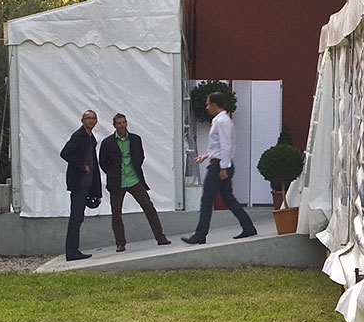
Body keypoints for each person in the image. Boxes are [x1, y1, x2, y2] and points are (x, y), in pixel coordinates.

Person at [184, 91, 257, 244]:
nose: (207, 107)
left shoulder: (222, 122)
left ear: (214, 105)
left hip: (219, 166)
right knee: (228, 198)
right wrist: (207, 155)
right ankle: (248, 226)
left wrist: (223, 167)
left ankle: (200, 234)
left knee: (207, 199)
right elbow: (221, 146)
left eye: (208, 104)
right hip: (221, 163)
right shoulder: (223, 120)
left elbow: (226, 145)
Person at [99, 112, 171, 251]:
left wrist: (135, 167)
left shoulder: (135, 139)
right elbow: (103, 162)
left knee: (149, 207)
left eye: (123, 122)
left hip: (134, 179)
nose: (122, 125)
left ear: (126, 123)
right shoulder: (108, 142)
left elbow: (140, 156)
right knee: (116, 214)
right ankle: (120, 243)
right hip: (117, 182)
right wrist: (113, 173)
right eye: (119, 123)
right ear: (114, 125)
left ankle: (160, 237)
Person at [61, 109, 102, 261]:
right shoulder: (79, 136)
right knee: (76, 218)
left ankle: (73, 250)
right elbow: (65, 153)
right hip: (79, 183)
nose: (91, 120)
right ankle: (72, 251)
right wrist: (81, 166)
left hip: (87, 183)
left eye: (93, 118)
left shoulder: (90, 138)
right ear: (82, 120)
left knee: (78, 217)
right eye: (88, 118)